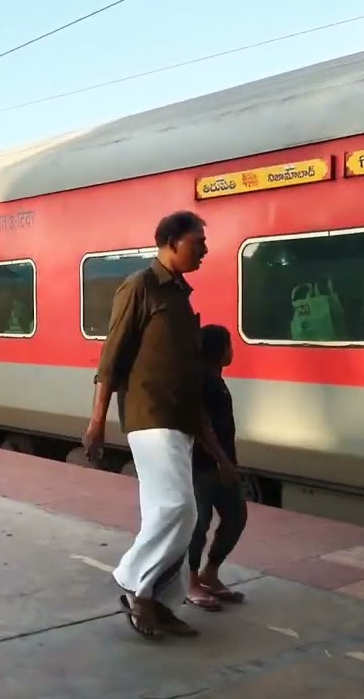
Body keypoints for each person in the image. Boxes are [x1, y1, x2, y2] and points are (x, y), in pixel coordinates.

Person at [82, 210, 237, 641]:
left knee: (176, 517)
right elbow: (111, 359)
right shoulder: (140, 287)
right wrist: (97, 421)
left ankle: (159, 604)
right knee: (179, 510)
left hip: (180, 419)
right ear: (171, 242)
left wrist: (209, 439)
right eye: (198, 241)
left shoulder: (181, 298)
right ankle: (135, 582)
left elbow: (190, 377)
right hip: (151, 416)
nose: (204, 249)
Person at [184, 324, 248, 612]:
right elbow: (203, 427)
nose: (232, 350)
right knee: (200, 524)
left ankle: (210, 573)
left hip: (222, 464)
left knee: (236, 516)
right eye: (230, 345)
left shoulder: (217, 381)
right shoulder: (203, 382)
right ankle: (191, 582)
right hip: (203, 466)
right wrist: (222, 461)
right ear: (221, 350)